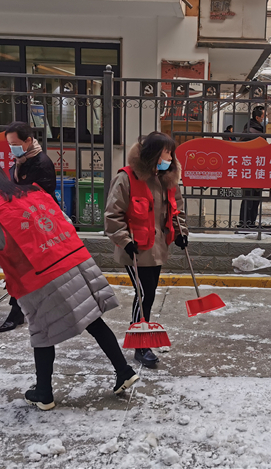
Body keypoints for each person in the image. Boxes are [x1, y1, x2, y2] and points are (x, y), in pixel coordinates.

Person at [0, 162, 139, 411]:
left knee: (42, 334)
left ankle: (44, 393)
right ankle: (124, 371)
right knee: (94, 319)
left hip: (39, 278)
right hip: (73, 262)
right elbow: (61, 222)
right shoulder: (34, 192)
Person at [104, 132, 188, 369]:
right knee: (144, 295)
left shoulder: (167, 179)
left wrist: (182, 233)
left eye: (172, 153)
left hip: (157, 249)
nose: (170, 158)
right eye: (166, 152)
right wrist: (124, 239)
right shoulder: (126, 179)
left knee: (148, 294)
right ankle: (141, 345)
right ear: (153, 154)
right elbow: (113, 215)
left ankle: (142, 338)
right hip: (135, 251)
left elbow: (176, 210)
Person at [0, 121, 58, 333]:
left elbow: (42, 196)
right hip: (21, 221)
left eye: (15, 143)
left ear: (28, 141)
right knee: (19, 269)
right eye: (9, 144)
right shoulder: (20, 160)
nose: (12, 148)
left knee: (29, 269)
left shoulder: (41, 163)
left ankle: (19, 312)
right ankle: (18, 310)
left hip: (37, 223)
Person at [239, 106, 266, 228]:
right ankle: (246, 223)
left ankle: (249, 223)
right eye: (264, 116)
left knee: (253, 199)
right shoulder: (251, 131)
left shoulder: (255, 130)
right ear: (257, 117)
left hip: (255, 169)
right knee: (250, 199)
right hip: (251, 169)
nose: (265, 118)